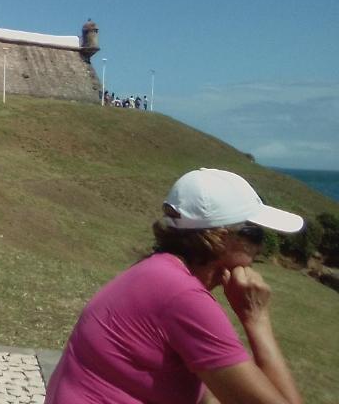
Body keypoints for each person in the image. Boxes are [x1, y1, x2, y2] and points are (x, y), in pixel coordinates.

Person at [45, 168, 304, 404]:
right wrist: (256, 318)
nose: (260, 248)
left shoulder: (154, 272)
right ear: (222, 238)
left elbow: (206, 389)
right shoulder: (184, 298)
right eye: (255, 234)